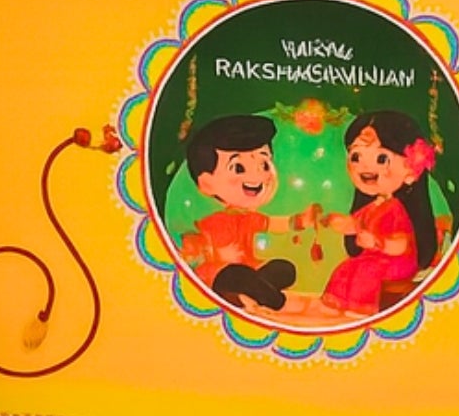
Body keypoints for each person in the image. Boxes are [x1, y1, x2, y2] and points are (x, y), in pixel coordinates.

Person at [305, 108, 440, 319]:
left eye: (381, 158)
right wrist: (335, 221)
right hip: (373, 259)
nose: (365, 166)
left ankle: (360, 309)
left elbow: (401, 244)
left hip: (397, 262)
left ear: (411, 171)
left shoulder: (396, 208)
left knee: (365, 272)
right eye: (356, 156)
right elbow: (355, 224)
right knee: (345, 269)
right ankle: (333, 304)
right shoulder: (373, 206)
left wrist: (377, 243)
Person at [174, 113, 297, 314]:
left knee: (283, 268)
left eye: (264, 164)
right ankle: (273, 300)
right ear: (207, 183)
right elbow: (197, 246)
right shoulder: (213, 221)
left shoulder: (250, 217)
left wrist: (300, 220)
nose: (257, 176)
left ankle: (245, 295)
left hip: (250, 269)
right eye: (238, 168)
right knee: (237, 274)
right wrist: (206, 252)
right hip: (220, 272)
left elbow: (275, 224)